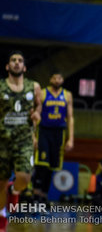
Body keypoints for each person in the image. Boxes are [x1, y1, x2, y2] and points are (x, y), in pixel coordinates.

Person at [0, 51, 42, 231]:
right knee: (0, 183)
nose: (16, 63)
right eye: (13, 60)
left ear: (24, 67)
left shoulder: (34, 86)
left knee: (24, 178)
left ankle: (14, 190)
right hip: (2, 140)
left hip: (24, 139)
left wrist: (37, 113)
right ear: (7, 66)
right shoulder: (0, 87)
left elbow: (38, 105)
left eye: (19, 61)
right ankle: (2, 219)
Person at [31, 71, 74, 203]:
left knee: (52, 167)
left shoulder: (67, 95)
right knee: (41, 165)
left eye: (59, 78)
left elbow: (70, 117)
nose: (57, 80)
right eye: (54, 77)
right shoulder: (42, 93)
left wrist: (71, 138)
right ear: (50, 79)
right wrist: (33, 136)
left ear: (62, 80)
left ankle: (44, 195)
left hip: (59, 133)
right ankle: (35, 195)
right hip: (43, 131)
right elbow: (33, 114)